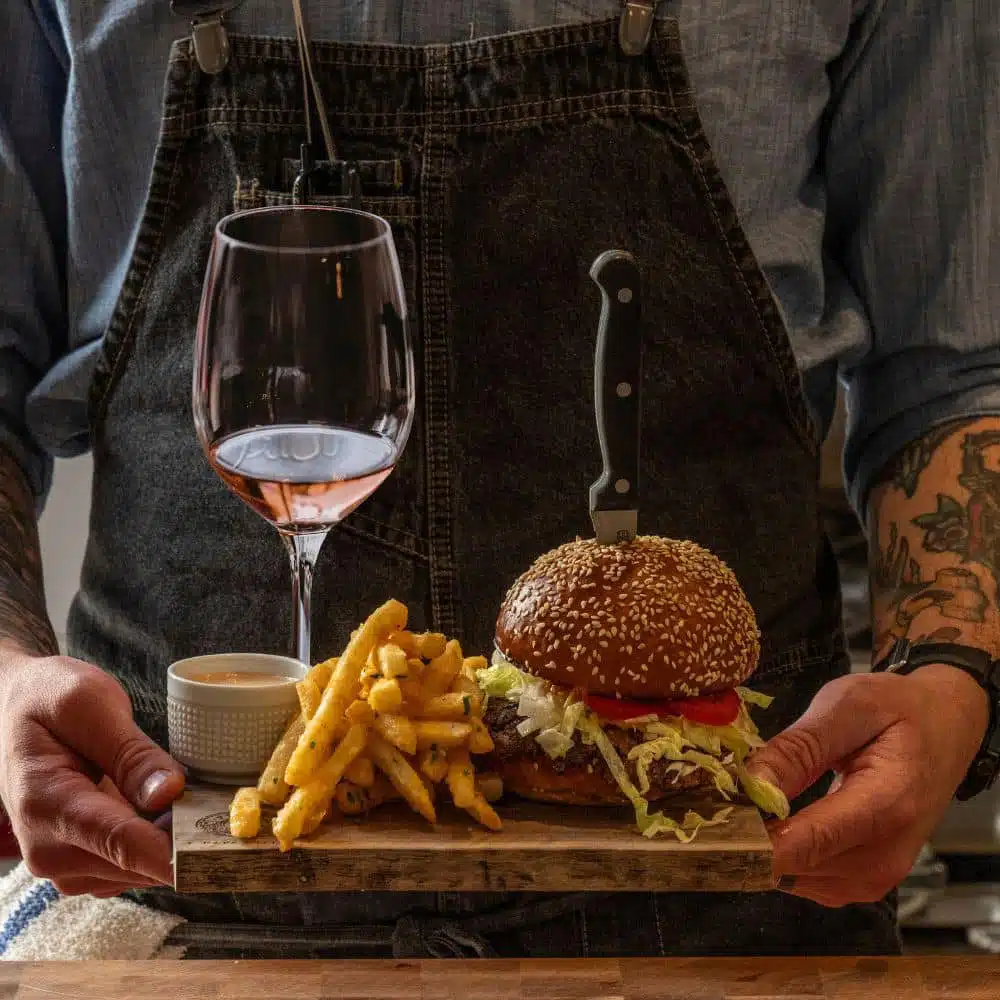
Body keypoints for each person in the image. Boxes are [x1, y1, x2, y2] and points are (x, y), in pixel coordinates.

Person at [0, 0, 997, 960]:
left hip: (727, 880)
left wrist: (954, 677)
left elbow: (955, 371)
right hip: (169, 873)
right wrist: (5, 672)